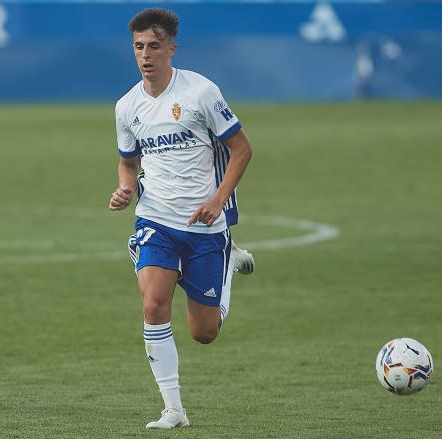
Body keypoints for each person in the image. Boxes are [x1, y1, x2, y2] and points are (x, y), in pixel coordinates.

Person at [108, 8, 253, 429]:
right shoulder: (126, 106)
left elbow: (242, 149)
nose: (146, 55)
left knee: (203, 333)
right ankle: (173, 409)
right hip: (155, 219)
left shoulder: (201, 93)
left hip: (206, 224)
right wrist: (125, 186)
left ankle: (227, 265)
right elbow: (126, 162)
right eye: (138, 47)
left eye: (154, 46)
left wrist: (218, 200)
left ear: (172, 47)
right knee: (153, 303)